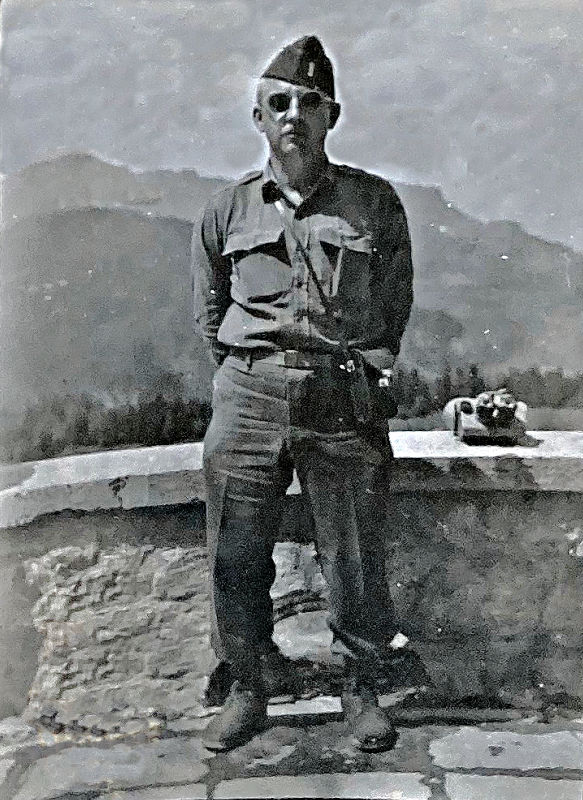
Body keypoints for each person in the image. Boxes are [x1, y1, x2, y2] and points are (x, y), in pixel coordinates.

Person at [192, 35, 414, 753]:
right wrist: (247, 377)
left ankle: (361, 689)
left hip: (338, 393)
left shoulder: (372, 202)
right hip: (249, 395)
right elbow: (209, 314)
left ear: (332, 115)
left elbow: (392, 304)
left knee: (351, 554)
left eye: (308, 103)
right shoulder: (224, 211)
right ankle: (251, 688)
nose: (293, 115)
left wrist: (359, 372)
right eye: (278, 103)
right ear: (258, 119)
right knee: (235, 553)